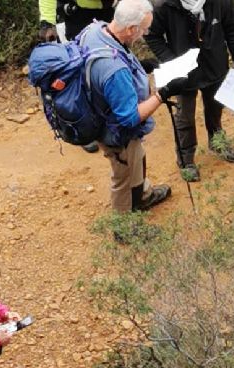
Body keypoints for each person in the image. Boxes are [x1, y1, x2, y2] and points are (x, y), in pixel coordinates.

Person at [79, 0, 173, 215]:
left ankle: (144, 194)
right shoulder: (115, 70)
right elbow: (130, 118)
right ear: (131, 29)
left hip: (97, 110)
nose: (146, 32)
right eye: (145, 28)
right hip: (116, 133)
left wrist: (141, 64)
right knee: (124, 175)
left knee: (136, 160)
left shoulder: (96, 30)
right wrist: (162, 94)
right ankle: (125, 226)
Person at [146, 0, 234, 182]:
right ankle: (186, 159)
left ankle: (217, 141)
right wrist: (172, 61)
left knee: (215, 107)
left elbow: (233, 30)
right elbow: (152, 35)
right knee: (184, 115)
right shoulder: (164, 4)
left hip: (215, 64)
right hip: (183, 73)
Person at [38, 0, 116, 154]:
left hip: (109, 11)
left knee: (112, 65)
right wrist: (47, 22)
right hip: (80, 14)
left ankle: (112, 119)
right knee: (83, 72)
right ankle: (86, 126)